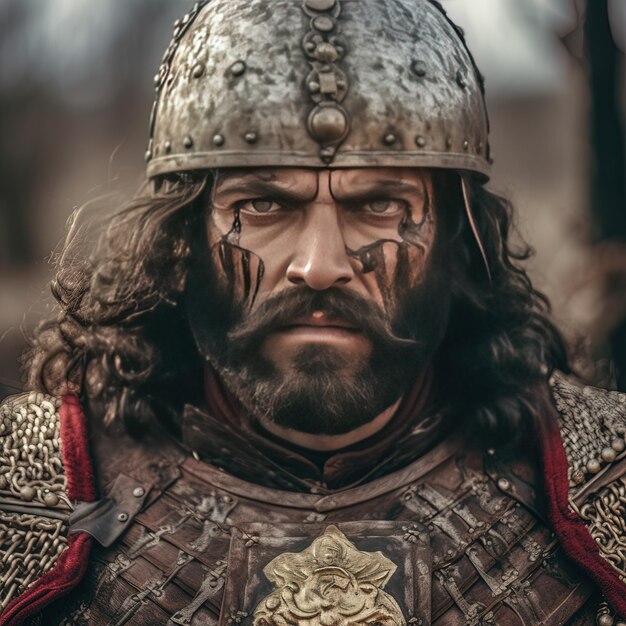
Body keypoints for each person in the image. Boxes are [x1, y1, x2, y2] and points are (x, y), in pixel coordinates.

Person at [1, 1, 624, 624]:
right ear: (181, 238)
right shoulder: (20, 488)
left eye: (379, 204)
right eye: (264, 206)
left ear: (458, 243)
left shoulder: (610, 476)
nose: (320, 264)